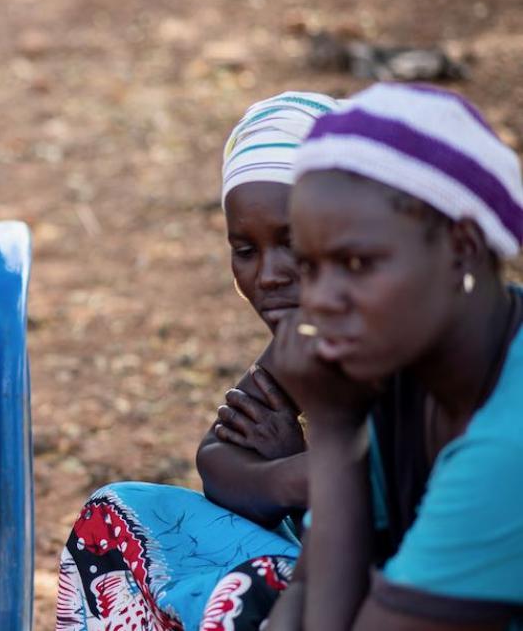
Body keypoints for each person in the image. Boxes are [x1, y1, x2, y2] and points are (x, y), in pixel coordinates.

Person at [56, 92, 340, 631]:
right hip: (327, 549)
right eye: (247, 250)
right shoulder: (298, 345)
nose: (270, 274)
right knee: (116, 515)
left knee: (251, 590)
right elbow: (217, 463)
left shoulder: (401, 345)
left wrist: (289, 471)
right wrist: (292, 475)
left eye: (292, 242)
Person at [268, 83, 523, 631]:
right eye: (310, 266)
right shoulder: (404, 362)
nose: (319, 300)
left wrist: (336, 433)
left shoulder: (510, 446)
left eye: (356, 263)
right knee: (129, 518)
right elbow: (310, 584)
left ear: (462, 247)